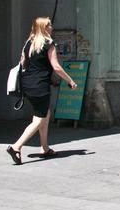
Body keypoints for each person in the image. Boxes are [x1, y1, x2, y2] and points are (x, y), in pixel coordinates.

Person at [7, 17, 78, 165]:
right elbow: (56, 67)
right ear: (43, 28)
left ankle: (44, 148)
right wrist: (70, 80)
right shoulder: (48, 44)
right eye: (49, 25)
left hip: (27, 85)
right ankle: (16, 146)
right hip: (40, 86)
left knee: (44, 114)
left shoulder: (28, 43)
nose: (51, 27)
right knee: (39, 119)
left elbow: (22, 63)